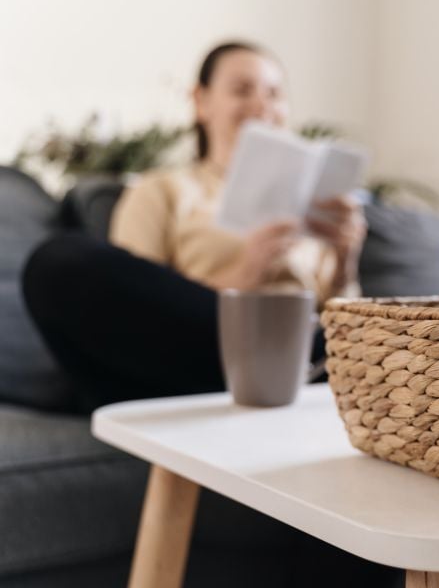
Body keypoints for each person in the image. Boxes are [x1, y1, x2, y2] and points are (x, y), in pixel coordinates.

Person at [22, 42, 366, 413]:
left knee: (370, 334)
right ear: (201, 102)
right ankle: (304, 368)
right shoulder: (163, 190)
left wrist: (346, 256)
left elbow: (342, 317)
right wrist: (246, 272)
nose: (262, 105)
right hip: (196, 356)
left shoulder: (312, 205)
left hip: (309, 350)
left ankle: (313, 367)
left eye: (274, 93)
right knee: (58, 261)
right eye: (242, 90)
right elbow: (142, 308)